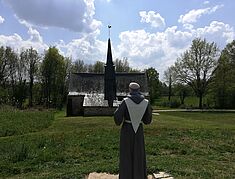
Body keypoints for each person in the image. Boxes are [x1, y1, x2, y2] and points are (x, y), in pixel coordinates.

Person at [114, 82, 152, 179]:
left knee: (126, 154)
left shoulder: (125, 101)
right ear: (139, 90)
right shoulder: (146, 102)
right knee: (139, 153)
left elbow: (117, 119)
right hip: (138, 130)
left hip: (127, 129)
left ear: (130, 89)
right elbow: (147, 121)